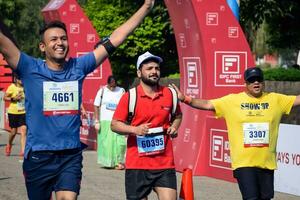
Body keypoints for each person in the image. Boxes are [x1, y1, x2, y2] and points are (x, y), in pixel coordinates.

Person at [0, 1, 155, 199]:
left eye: (63, 39)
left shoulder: (78, 67)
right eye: (53, 39)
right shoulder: (29, 68)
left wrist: (146, 7)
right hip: (39, 156)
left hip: (70, 156)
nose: (60, 43)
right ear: (42, 46)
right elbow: (3, 43)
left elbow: (116, 38)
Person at [171, 67, 300, 200]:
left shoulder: (275, 99)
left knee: (265, 198)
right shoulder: (232, 101)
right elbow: (208, 104)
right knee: (251, 198)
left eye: (259, 80)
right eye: (251, 81)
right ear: (245, 84)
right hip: (243, 163)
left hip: (266, 163)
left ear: (263, 82)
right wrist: (185, 98)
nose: (256, 83)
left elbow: (296, 100)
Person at [111, 51, 182, 200]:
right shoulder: (130, 97)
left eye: (156, 68)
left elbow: (178, 116)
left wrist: (174, 127)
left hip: (164, 163)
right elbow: (115, 125)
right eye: (149, 68)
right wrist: (135, 129)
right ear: (139, 72)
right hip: (137, 165)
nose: (154, 72)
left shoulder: (170, 94)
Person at [93, 75, 126, 169]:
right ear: (107, 83)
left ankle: (119, 162)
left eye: (114, 86)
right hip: (105, 120)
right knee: (107, 143)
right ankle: (109, 163)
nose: (112, 88)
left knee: (120, 142)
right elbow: (96, 105)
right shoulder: (102, 91)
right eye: (110, 85)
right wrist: (96, 121)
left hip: (118, 120)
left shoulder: (121, 91)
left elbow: (126, 104)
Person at [3, 75, 27, 157]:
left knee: (24, 130)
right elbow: (5, 97)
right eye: (20, 79)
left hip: (23, 112)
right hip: (13, 112)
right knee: (14, 132)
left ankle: (23, 151)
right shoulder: (12, 87)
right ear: (16, 79)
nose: (22, 80)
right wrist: (14, 98)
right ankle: (9, 144)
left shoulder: (26, 87)